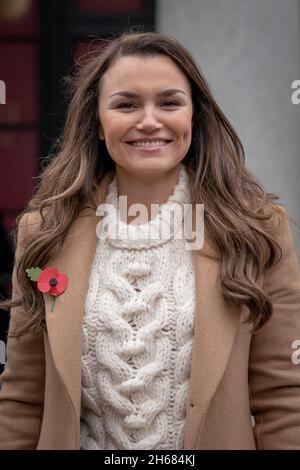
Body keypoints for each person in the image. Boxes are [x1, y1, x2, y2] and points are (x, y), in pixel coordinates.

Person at [0, 31, 300, 451]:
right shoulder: (46, 232)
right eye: (126, 104)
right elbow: (22, 399)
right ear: (98, 125)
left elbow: (285, 397)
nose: (148, 120)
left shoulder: (256, 229)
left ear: (194, 117)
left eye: (169, 102)